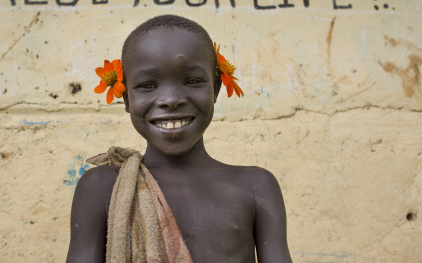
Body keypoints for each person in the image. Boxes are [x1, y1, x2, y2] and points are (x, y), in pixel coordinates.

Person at [66, 15, 292, 262]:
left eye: (193, 81)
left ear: (215, 89)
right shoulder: (100, 187)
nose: (171, 99)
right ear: (127, 99)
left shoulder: (255, 187)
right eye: (148, 85)